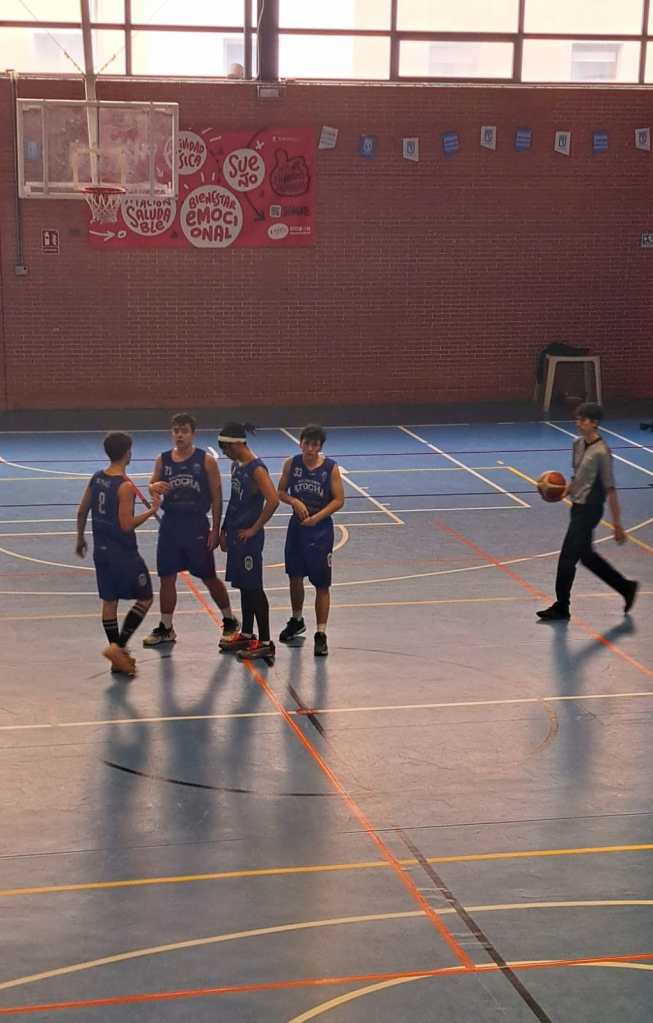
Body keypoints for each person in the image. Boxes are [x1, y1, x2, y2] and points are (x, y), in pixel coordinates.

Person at [143, 413, 238, 646]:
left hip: (196, 524)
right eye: (176, 431)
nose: (180, 435)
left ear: (193, 434)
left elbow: (217, 497)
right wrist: (153, 486)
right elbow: (151, 485)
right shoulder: (162, 460)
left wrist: (215, 529)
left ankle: (229, 620)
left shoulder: (206, 461)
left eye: (184, 431)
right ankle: (166, 627)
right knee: (167, 577)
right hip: (170, 525)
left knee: (208, 577)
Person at [537, 402, 638, 621]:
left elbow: (610, 489)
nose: (578, 423)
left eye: (582, 419)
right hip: (577, 508)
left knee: (567, 558)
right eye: (577, 418)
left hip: (590, 510)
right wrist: (563, 492)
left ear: (594, 423)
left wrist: (617, 525)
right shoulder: (577, 444)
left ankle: (561, 606)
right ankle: (626, 587)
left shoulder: (602, 453)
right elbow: (577, 477)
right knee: (587, 557)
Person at [75, 431, 159, 676]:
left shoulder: (97, 478)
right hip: (123, 554)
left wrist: (80, 538)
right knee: (145, 597)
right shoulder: (125, 486)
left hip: (101, 551)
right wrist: (152, 511)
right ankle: (118, 647)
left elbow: (81, 511)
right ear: (126, 453)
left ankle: (117, 658)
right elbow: (126, 525)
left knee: (109, 601)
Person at [277, 425, 345, 656]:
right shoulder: (292, 464)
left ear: (320, 447)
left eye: (314, 445)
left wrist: (317, 518)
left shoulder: (330, 468)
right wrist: (294, 501)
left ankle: (321, 633)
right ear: (300, 443)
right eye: (306, 443)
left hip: (320, 531)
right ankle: (297, 620)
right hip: (297, 528)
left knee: (322, 584)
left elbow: (338, 500)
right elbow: (281, 492)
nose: (309, 448)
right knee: (294, 577)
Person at [216, 422, 279, 663]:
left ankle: (265, 643)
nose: (225, 454)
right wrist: (224, 529)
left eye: (226, 449)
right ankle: (246, 634)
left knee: (254, 588)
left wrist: (254, 528)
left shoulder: (257, 469)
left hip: (249, 539)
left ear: (236, 444)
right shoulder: (236, 465)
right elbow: (234, 500)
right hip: (236, 536)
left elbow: (273, 500)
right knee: (244, 586)